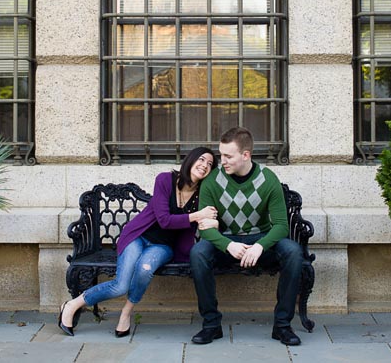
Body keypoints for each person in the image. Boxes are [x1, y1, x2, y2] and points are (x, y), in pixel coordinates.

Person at [59, 146, 219, 337]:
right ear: (191, 160)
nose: (204, 165)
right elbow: (164, 220)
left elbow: (191, 230)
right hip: (138, 237)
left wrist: (193, 251)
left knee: (145, 268)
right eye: (201, 159)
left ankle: (126, 312)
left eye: (210, 164)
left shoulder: (202, 194)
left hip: (163, 247)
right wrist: (197, 215)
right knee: (120, 285)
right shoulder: (165, 180)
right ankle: (72, 304)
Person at [189, 127, 304, 346]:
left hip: (259, 241)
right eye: (221, 154)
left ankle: (282, 326)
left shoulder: (267, 179)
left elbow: (280, 226)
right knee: (198, 253)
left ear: (246, 155)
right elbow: (205, 228)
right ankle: (211, 325)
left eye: (228, 156)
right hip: (227, 242)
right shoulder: (212, 180)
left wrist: (260, 246)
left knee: (293, 252)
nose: (222, 160)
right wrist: (227, 244)